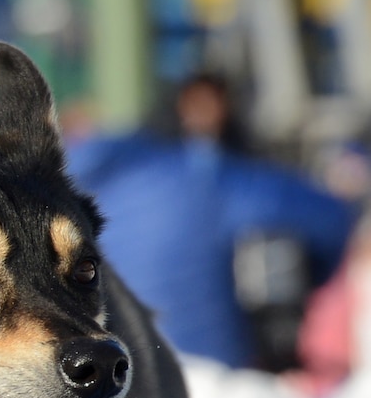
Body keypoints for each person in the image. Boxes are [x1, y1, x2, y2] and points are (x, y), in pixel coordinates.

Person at [72, 73, 354, 370]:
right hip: (201, 366)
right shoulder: (211, 177)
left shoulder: (104, 168)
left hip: (114, 361)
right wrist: (316, 274)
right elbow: (330, 217)